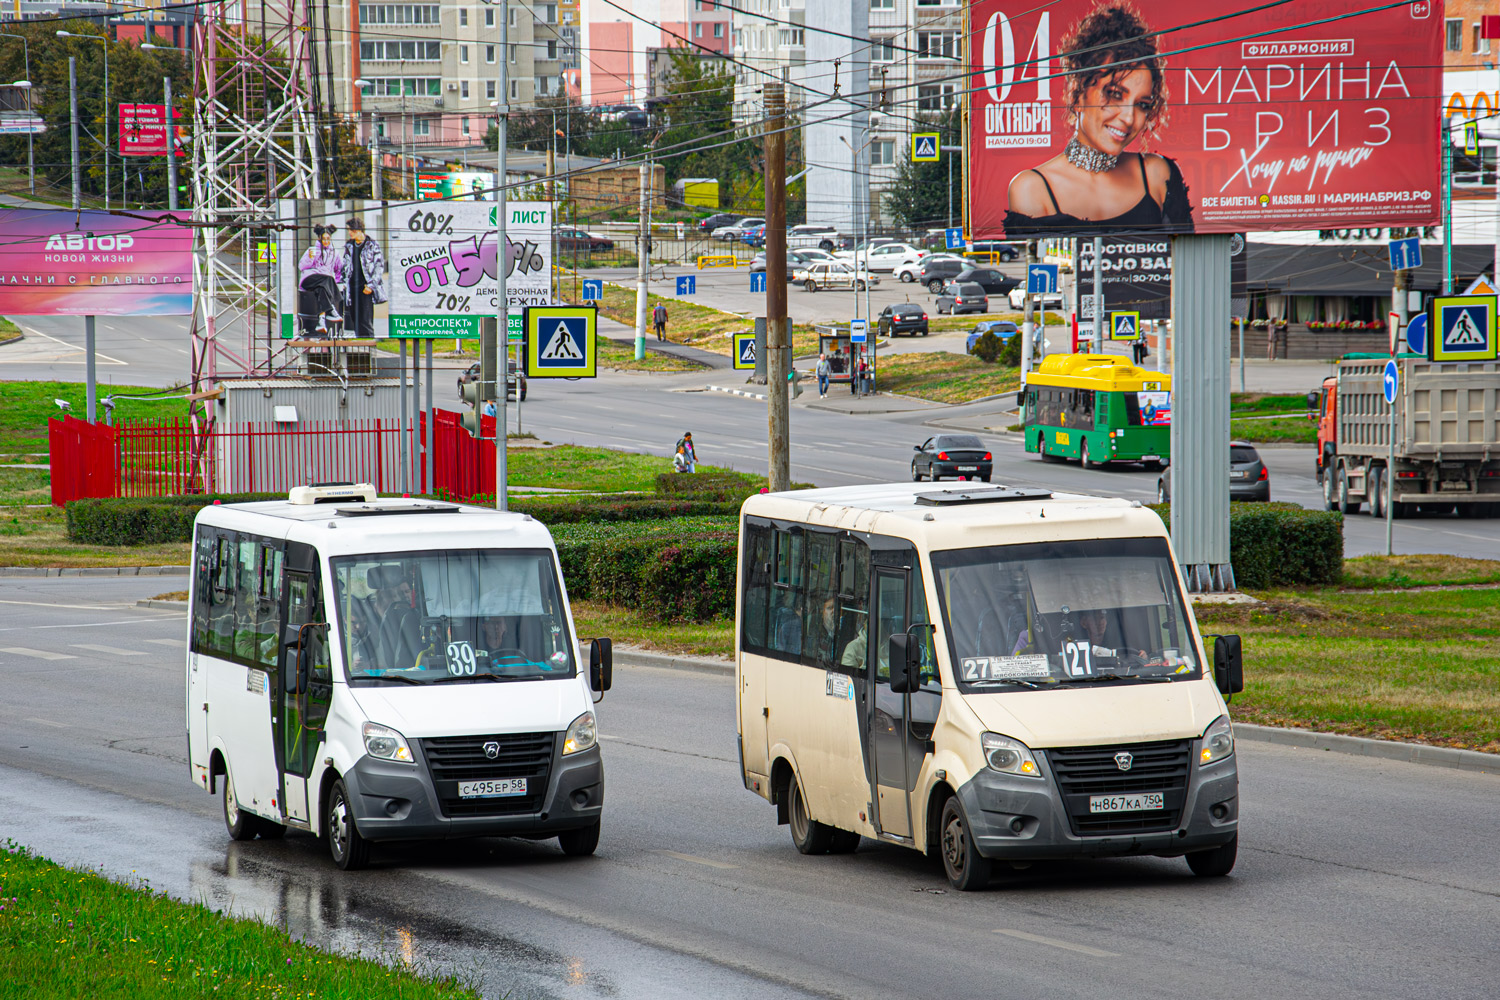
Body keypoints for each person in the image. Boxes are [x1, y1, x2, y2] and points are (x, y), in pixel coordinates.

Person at [1004, 4, 1194, 237]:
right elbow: (1038, 268)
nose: (1128, 118)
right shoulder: (1033, 189)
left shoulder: (1157, 174)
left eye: (1142, 104)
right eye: (1114, 94)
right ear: (1078, 88)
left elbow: (1188, 262)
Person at [341, 218, 387, 339]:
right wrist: (343, 281)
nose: (350, 233)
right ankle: (360, 351)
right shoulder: (349, 245)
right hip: (352, 288)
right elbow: (345, 264)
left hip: (365, 288)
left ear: (358, 229)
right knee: (354, 319)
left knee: (365, 321)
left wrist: (371, 285)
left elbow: (379, 266)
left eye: (351, 230)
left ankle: (369, 349)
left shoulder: (372, 245)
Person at [296, 224, 344, 337]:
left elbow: (339, 269)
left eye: (328, 239)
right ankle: (331, 309)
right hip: (309, 279)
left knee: (322, 288)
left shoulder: (335, 253)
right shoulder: (312, 250)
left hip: (323, 283)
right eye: (324, 239)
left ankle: (321, 320)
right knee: (327, 278)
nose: (326, 241)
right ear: (319, 239)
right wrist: (310, 258)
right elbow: (301, 266)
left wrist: (339, 283)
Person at [368, 565, 418, 669]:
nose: (390, 602)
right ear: (375, 606)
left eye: (394, 596)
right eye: (382, 598)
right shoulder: (368, 632)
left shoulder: (412, 622)